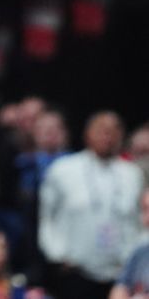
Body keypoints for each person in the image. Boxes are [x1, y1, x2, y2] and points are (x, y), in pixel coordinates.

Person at [39, 111, 143, 299]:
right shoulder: (63, 169)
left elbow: (139, 218)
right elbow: (46, 217)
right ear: (87, 134)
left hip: (121, 273)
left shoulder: (132, 174)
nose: (107, 136)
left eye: (113, 131)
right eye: (101, 130)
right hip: (76, 271)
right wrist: (57, 255)